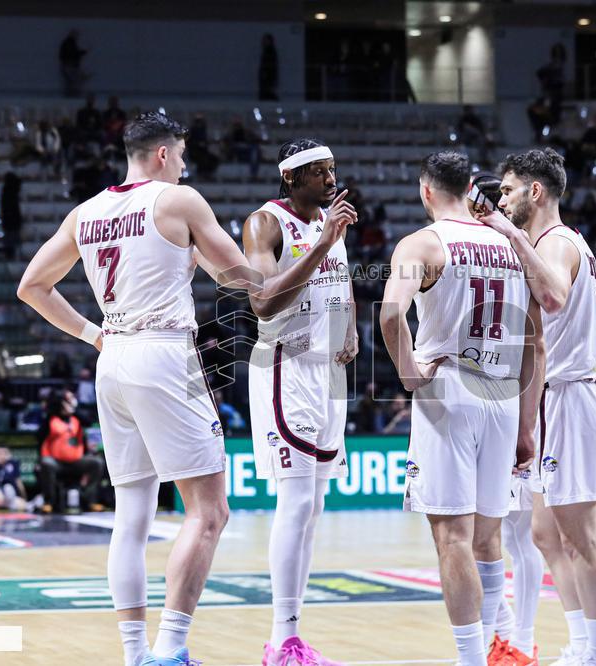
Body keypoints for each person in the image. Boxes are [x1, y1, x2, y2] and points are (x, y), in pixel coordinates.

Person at [18, 111, 262, 666]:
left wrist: (90, 334)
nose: (183, 164)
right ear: (161, 155)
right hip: (164, 354)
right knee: (209, 511)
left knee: (131, 518)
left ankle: (135, 655)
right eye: (180, 155)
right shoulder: (179, 200)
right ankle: (172, 648)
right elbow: (239, 276)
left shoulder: (87, 211)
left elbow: (31, 286)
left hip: (115, 358)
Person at [380, 151, 544, 665]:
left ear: (426, 191)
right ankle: (495, 651)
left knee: (452, 536)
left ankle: (471, 660)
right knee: (489, 538)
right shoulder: (508, 244)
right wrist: (524, 421)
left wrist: (408, 371)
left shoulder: (423, 243)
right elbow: (530, 340)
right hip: (501, 390)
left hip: (449, 390)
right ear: (471, 186)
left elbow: (389, 313)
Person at [480, 149, 596, 666]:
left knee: (580, 536)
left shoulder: (556, 243)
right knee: (543, 533)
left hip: (573, 397)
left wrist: (510, 235)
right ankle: (582, 643)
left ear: (535, 192)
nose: (501, 198)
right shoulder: (544, 243)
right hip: (553, 399)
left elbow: (555, 297)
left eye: (509, 190)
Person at [242, 138, 358, 665]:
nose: (330, 178)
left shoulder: (331, 222)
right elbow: (264, 304)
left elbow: (343, 282)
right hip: (286, 365)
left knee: (314, 507)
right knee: (295, 501)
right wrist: (322, 241)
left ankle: (295, 637)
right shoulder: (264, 223)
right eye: (318, 171)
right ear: (291, 178)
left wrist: (351, 326)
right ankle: (279, 639)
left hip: (330, 374)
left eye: (331, 169)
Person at [465, 172, 545, 666]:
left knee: (518, 531)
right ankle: (505, 634)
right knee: (487, 532)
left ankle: (519, 638)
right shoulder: (479, 247)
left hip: (518, 396)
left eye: (491, 197)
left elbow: (535, 340)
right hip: (488, 395)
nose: (484, 206)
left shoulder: (520, 248)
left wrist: (525, 421)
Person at [37, 388, 104, 513]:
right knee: (46, 463)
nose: (73, 401)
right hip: (56, 463)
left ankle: (88, 500)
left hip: (77, 461)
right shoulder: (51, 419)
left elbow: (90, 422)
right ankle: (48, 502)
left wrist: (73, 411)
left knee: (97, 462)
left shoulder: (76, 418)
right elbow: (40, 439)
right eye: (69, 399)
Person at [59, 29, 87, 97]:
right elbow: (72, 54)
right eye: (76, 35)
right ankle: (73, 94)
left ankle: (71, 93)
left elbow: (72, 53)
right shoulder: (69, 43)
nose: (77, 37)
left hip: (69, 65)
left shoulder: (69, 43)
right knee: (73, 80)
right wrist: (81, 53)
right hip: (69, 65)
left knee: (71, 80)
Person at [259, 34, 279, 101]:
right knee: (266, 92)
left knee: (267, 92)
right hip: (267, 76)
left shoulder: (270, 51)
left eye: (266, 40)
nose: (264, 42)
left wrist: (266, 74)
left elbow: (271, 65)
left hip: (268, 76)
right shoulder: (267, 51)